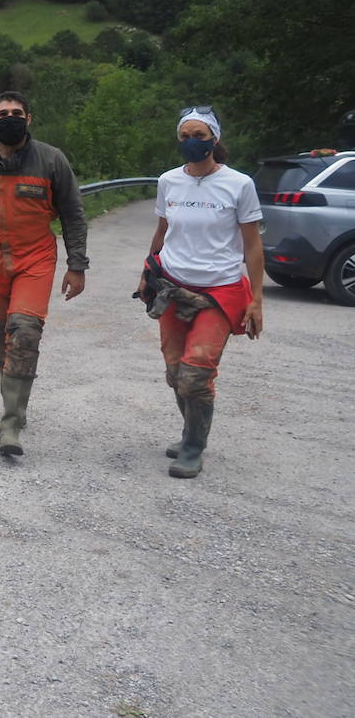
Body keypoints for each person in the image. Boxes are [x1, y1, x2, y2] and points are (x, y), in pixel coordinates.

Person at [0, 91, 89, 456]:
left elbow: (73, 213)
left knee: (24, 331)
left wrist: (77, 265)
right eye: (3, 113)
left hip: (35, 258)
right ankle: (16, 407)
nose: (11, 117)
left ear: (29, 118)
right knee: (0, 339)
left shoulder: (51, 160)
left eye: (17, 112)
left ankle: (10, 424)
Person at [137, 107, 262, 478]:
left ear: (215, 139)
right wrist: (147, 271)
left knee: (196, 372)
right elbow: (162, 232)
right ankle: (191, 430)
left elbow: (253, 246)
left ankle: (193, 447)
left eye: (200, 135)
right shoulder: (169, 182)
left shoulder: (239, 185)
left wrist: (257, 299)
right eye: (186, 136)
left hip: (218, 291)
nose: (193, 142)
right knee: (176, 371)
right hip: (172, 288)